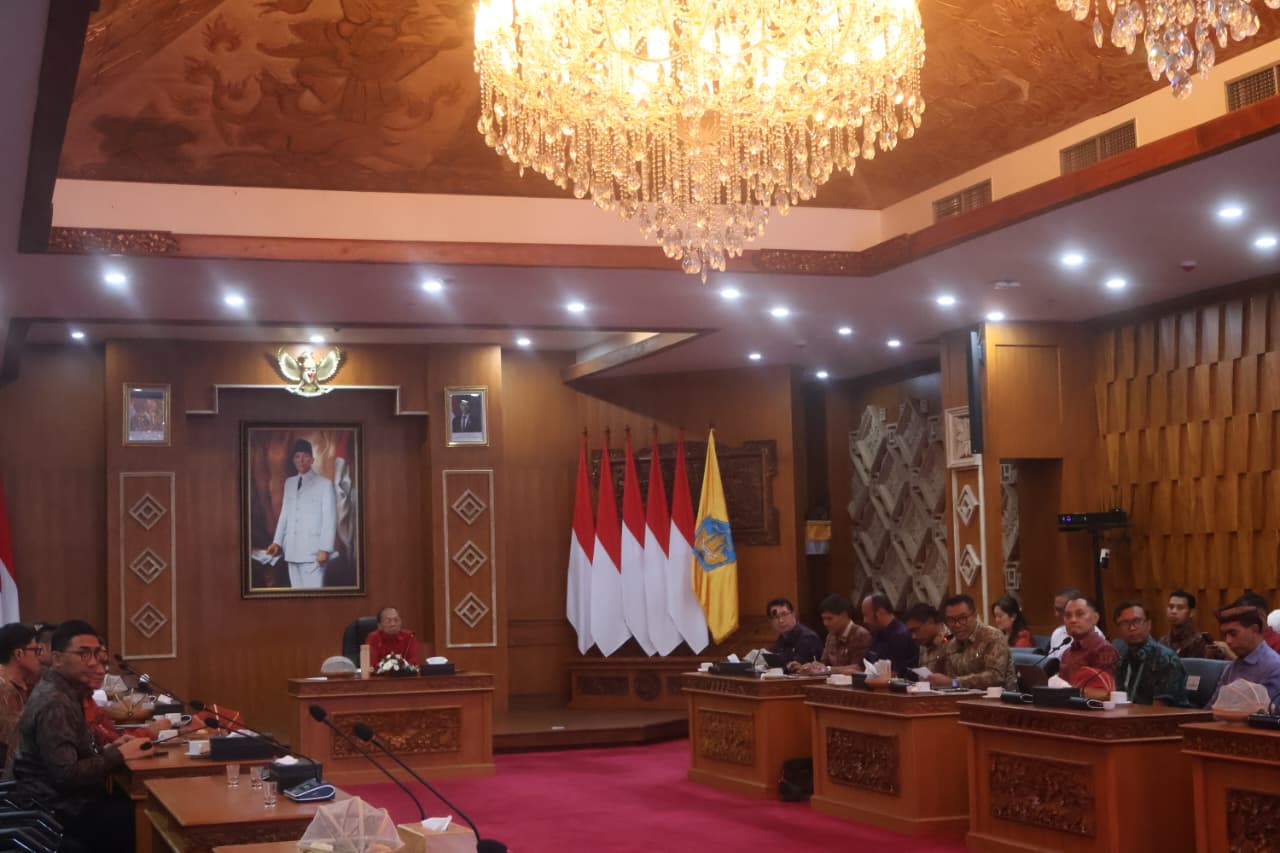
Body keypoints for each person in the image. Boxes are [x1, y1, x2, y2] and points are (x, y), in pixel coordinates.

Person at [13, 620, 150, 852]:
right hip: (57, 810)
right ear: (57, 658)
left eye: (96, 654)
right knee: (146, 820)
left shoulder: (64, 691)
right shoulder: (55, 702)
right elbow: (66, 775)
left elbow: (72, 753)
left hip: (67, 801)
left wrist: (109, 749)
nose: (95, 662)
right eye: (83, 654)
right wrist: (119, 755)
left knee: (138, 806)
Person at [266, 439, 337, 589]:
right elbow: (285, 513)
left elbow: (329, 519)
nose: (301, 460)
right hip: (292, 550)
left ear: (312, 459)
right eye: (297, 456)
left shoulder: (324, 484)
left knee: (314, 597)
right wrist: (277, 541)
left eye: (305, 456)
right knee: (297, 596)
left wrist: (325, 548)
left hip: (314, 553)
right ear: (293, 460)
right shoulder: (289, 483)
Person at [926, 594, 1015, 690]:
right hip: (962, 696)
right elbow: (948, 678)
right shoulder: (950, 644)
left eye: (962, 618)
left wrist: (955, 682)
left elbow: (995, 677)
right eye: (951, 620)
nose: (957, 625)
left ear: (975, 615)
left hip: (998, 697)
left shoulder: (992, 637)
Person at [1112, 601, 1190, 706]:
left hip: (1164, 715)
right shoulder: (1122, 659)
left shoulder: (1165, 658)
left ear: (1149, 624)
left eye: (1137, 621)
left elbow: (1161, 708)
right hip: (1129, 713)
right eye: (1125, 623)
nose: (1132, 628)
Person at [1209, 605, 1280, 710]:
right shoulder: (1231, 667)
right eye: (1225, 635)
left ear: (1254, 630)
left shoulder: (1274, 667)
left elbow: (1265, 715)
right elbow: (1212, 708)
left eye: (1233, 633)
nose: (1228, 641)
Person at [0, 624, 43, 776]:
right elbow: (14, 744)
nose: (40, 657)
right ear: (18, 654)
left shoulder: (17, 684)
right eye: (35, 651)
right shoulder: (4, 688)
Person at [792, 594, 871, 676]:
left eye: (829, 618)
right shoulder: (831, 636)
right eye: (823, 619)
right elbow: (824, 663)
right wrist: (812, 667)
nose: (825, 623)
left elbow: (859, 668)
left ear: (844, 615)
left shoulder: (861, 635)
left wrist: (828, 669)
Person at [1059, 596, 1119, 699]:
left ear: (1095, 618)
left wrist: (1064, 692)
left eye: (1080, 614)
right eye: (1068, 615)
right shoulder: (1066, 653)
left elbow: (1104, 693)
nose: (1073, 620)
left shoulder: (1104, 649)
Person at [861, 593, 918, 676]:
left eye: (866, 615)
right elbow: (863, 666)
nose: (864, 621)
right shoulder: (879, 633)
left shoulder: (900, 636)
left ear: (880, 612)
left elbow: (892, 673)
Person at [1160, 590, 1226, 660]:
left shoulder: (1201, 642)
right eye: (1171, 607)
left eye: (1180, 608)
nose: (1173, 611)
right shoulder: (1163, 641)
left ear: (1191, 612)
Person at [766, 597, 823, 668]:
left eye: (784, 614)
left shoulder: (808, 638)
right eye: (776, 617)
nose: (781, 620)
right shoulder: (782, 638)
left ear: (794, 614)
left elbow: (796, 668)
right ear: (770, 621)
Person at [1048, 587, 1102, 657]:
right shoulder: (1057, 632)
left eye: (1079, 614)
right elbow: (1050, 662)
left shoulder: (1099, 642)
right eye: (1068, 614)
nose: (1056, 614)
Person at [905, 603, 947, 672]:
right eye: (910, 632)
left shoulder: (951, 641)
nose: (913, 636)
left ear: (930, 621)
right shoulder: (924, 643)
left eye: (915, 630)